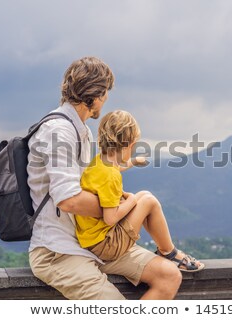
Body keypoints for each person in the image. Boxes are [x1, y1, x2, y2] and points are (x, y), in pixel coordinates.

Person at [27, 57, 182, 299]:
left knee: (169, 276)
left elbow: (94, 181)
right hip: (58, 252)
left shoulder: (81, 131)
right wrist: (121, 207)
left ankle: (170, 254)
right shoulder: (59, 131)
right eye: (106, 92)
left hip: (90, 241)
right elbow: (68, 200)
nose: (107, 98)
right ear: (96, 95)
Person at [76, 110, 205, 273]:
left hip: (91, 238)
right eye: (133, 146)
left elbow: (117, 167)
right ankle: (170, 253)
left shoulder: (100, 162)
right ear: (128, 144)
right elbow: (110, 218)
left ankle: (166, 250)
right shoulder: (110, 176)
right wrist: (131, 201)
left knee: (144, 195)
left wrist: (134, 161)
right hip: (105, 246)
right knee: (148, 200)